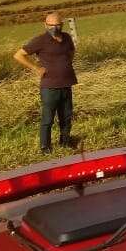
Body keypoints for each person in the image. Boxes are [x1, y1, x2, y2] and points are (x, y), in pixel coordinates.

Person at [13, 12, 78, 153]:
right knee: (48, 118)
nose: (55, 27)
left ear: (62, 24)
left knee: (66, 116)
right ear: (45, 25)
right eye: (51, 25)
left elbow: (72, 51)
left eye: (58, 25)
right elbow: (18, 55)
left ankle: (65, 142)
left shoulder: (67, 37)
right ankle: (45, 147)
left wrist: (65, 64)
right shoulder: (40, 40)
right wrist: (36, 68)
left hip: (66, 83)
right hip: (49, 87)